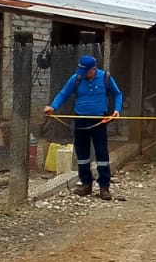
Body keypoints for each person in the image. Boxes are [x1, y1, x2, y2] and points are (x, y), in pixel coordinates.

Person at [44, 54, 123, 200]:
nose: (83, 74)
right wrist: (52, 107)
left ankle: (104, 187)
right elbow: (64, 93)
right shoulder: (76, 79)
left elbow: (117, 94)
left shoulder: (105, 78)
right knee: (82, 154)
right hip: (80, 120)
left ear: (93, 69)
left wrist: (117, 110)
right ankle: (86, 184)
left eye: (86, 71)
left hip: (99, 121)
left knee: (102, 154)